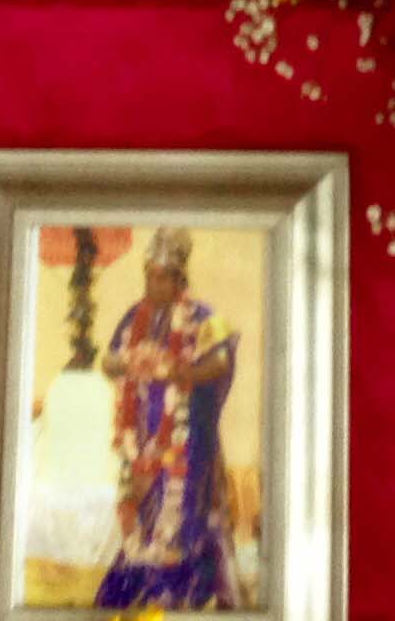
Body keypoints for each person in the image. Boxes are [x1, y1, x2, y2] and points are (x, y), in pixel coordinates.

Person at [94, 227, 241, 610]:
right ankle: (138, 587)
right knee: (141, 518)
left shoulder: (202, 315)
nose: (151, 283)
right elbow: (107, 361)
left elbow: (222, 359)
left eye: (160, 277)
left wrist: (183, 373)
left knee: (179, 518)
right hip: (142, 440)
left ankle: (176, 593)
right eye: (148, 275)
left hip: (185, 442)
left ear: (179, 280)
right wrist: (127, 361)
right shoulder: (134, 316)